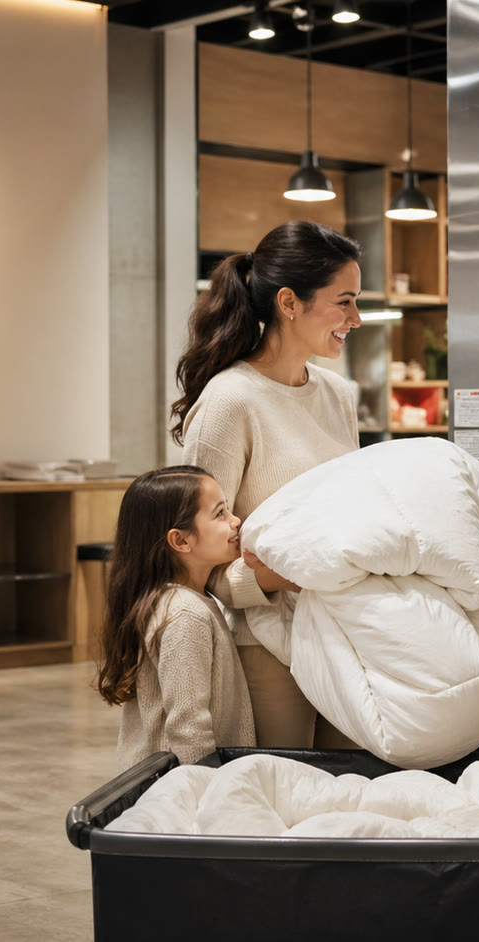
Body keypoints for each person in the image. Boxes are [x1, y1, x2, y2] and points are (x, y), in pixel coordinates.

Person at [169, 220, 363, 748]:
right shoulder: (230, 402)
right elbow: (191, 558)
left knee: (356, 792)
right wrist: (273, 580)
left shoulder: (338, 395)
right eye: (344, 302)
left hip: (345, 629)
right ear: (289, 302)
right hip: (263, 642)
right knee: (288, 791)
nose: (356, 318)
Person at [99, 466, 255, 770]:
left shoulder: (184, 602)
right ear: (181, 541)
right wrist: (205, 796)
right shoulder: (185, 614)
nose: (236, 521)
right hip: (177, 793)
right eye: (220, 514)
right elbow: (188, 729)